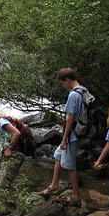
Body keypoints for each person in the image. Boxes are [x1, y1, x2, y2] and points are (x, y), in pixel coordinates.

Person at [40, 68, 92, 202]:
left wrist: (64, 139)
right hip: (78, 130)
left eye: (62, 83)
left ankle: (75, 196)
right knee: (57, 156)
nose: (62, 85)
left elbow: (71, 117)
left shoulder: (73, 95)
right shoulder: (83, 90)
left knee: (70, 166)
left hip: (72, 135)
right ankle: (53, 186)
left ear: (67, 80)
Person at [0, 104, 29, 188]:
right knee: (1, 182)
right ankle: (8, 199)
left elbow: (17, 133)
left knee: (3, 183)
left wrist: (9, 149)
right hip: (10, 154)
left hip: (15, 154)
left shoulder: (1, 121)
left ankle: (5, 200)